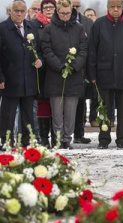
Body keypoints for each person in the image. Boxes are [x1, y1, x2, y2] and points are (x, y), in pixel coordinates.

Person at [88, 0, 123, 149]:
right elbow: (92, 50)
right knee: (104, 108)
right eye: (112, 7)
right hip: (103, 73)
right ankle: (104, 139)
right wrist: (91, 74)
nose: (116, 10)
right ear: (108, 8)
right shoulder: (99, 24)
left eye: (118, 7)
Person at [41, 0, 88, 150]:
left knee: (70, 111)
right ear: (57, 12)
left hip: (74, 76)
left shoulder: (79, 28)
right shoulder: (49, 29)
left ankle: (67, 139)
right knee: (57, 111)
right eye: (62, 13)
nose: (65, 16)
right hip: (55, 76)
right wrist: (60, 66)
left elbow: (83, 50)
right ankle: (58, 139)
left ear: (72, 11)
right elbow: (47, 50)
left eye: (67, 13)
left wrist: (74, 66)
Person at [0, 0, 43, 148]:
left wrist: (40, 60)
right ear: (10, 11)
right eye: (16, 11)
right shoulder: (2, 29)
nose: (19, 14)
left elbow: (39, 50)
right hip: (10, 79)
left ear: (26, 12)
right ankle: (6, 142)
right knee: (8, 115)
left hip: (28, 79)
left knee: (28, 115)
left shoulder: (32, 28)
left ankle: (27, 142)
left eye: (22, 11)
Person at [32, 0, 56, 148]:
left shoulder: (60, 23)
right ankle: (43, 138)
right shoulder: (34, 25)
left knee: (56, 105)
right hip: (41, 71)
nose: (48, 10)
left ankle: (55, 137)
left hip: (56, 71)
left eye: (51, 7)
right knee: (42, 104)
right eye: (45, 7)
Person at [71, 0, 94, 145]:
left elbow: (91, 45)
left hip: (83, 68)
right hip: (66, 67)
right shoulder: (62, 19)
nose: (74, 9)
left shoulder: (88, 22)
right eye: (72, 6)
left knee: (81, 102)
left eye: (77, 6)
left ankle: (79, 133)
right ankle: (64, 134)